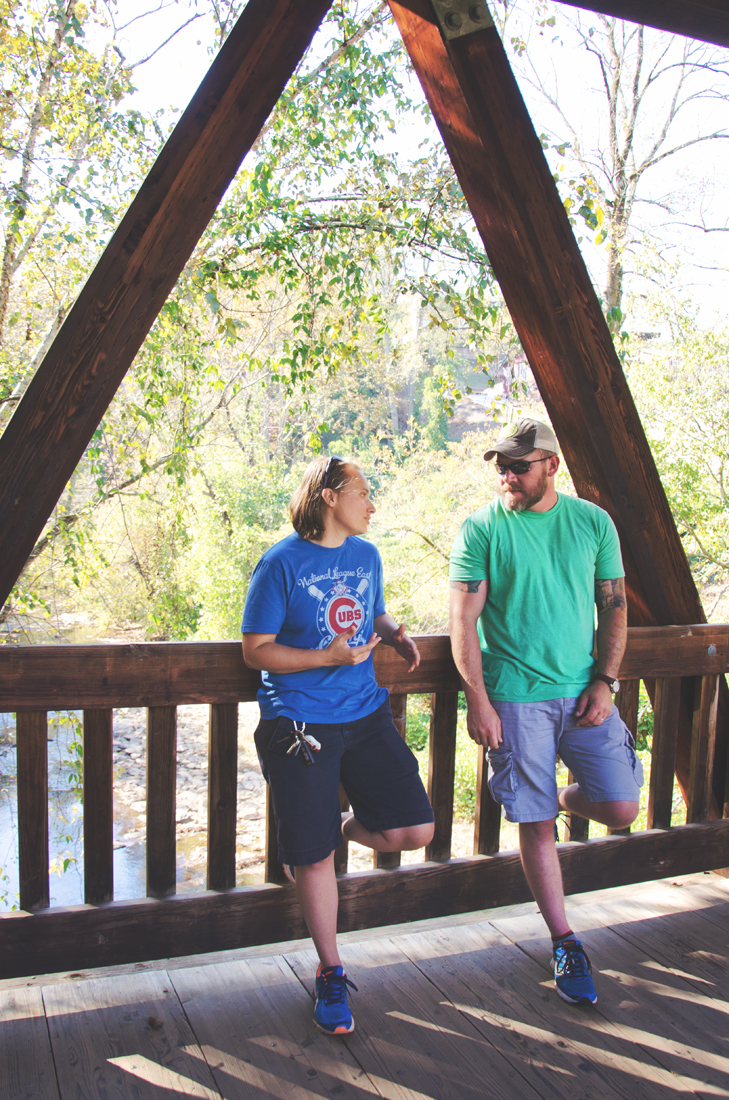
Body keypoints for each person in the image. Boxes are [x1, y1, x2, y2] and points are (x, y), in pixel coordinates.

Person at [448, 418, 642, 1006]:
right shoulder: (482, 528)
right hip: (513, 697)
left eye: (519, 465)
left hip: (584, 692)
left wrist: (606, 680)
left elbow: (613, 609)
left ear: (550, 466)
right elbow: (462, 620)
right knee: (534, 826)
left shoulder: (592, 523)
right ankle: (565, 940)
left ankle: (559, 798)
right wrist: (478, 699)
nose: (507, 475)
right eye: (501, 466)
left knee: (621, 805)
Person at [241, 455, 434, 1035]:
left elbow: (370, 610)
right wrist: (328, 656)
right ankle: (330, 972)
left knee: (414, 830)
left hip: (365, 710)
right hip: (300, 724)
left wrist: (393, 631)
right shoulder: (280, 563)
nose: (372, 504)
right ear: (329, 497)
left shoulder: (366, 556)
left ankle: (333, 828)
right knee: (314, 859)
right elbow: (256, 649)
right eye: (363, 492)